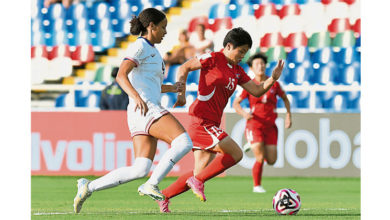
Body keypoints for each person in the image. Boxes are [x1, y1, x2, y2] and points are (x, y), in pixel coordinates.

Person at [73, 8, 194, 213]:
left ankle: (88, 186)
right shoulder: (140, 46)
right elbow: (121, 75)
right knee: (183, 142)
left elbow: (149, 84)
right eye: (163, 27)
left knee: (140, 168)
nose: (165, 32)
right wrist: (136, 96)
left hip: (140, 111)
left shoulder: (153, 51)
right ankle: (152, 184)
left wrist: (171, 88)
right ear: (151, 26)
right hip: (145, 107)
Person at [156, 27, 285, 213]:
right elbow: (185, 67)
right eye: (240, 51)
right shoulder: (212, 58)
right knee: (236, 153)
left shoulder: (238, 71)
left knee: (198, 172)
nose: (242, 55)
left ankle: (164, 195)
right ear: (229, 46)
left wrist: (272, 78)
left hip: (212, 122)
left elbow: (256, 90)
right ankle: (197, 181)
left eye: (245, 52)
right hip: (201, 120)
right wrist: (182, 93)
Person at [233, 53, 292, 193]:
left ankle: (253, 144)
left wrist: (288, 115)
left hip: (270, 126)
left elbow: (285, 99)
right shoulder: (250, 84)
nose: (260, 66)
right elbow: (236, 103)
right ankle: (257, 186)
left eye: (262, 63)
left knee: (271, 160)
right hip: (255, 124)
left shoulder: (274, 83)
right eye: (257, 64)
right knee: (259, 157)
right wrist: (244, 113)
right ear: (252, 68)